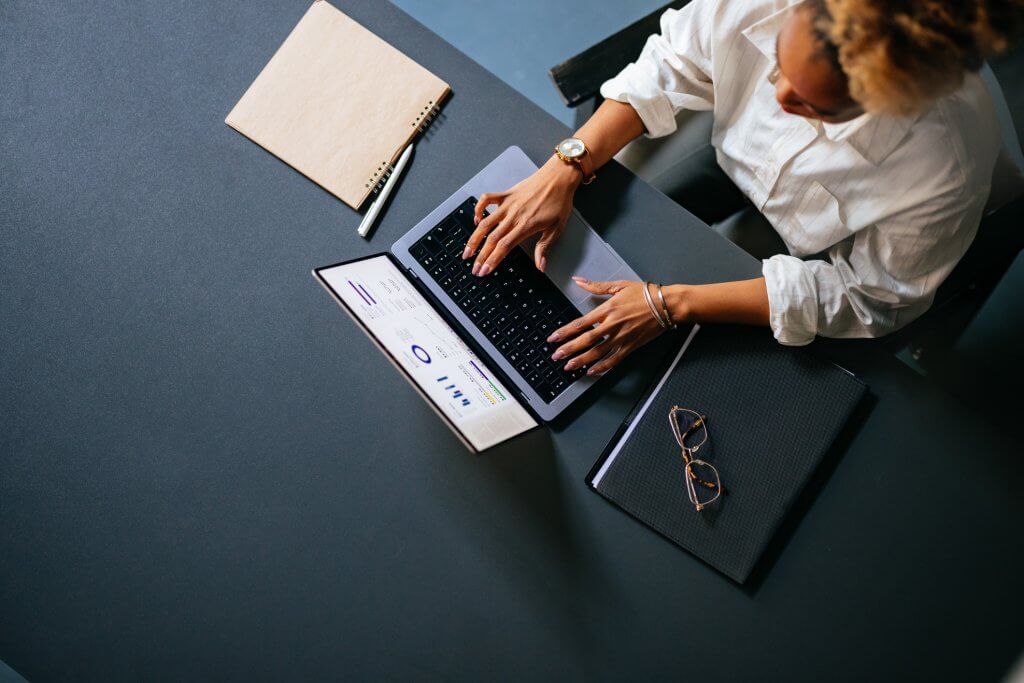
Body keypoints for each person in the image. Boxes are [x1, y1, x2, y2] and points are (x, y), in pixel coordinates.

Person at [460, 0, 1023, 376]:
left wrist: (673, 303)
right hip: (728, 149)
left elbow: (867, 296)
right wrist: (567, 166)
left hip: (827, 243)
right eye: (778, 62)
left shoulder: (943, 167)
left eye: (812, 105)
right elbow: (673, 62)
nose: (778, 102)